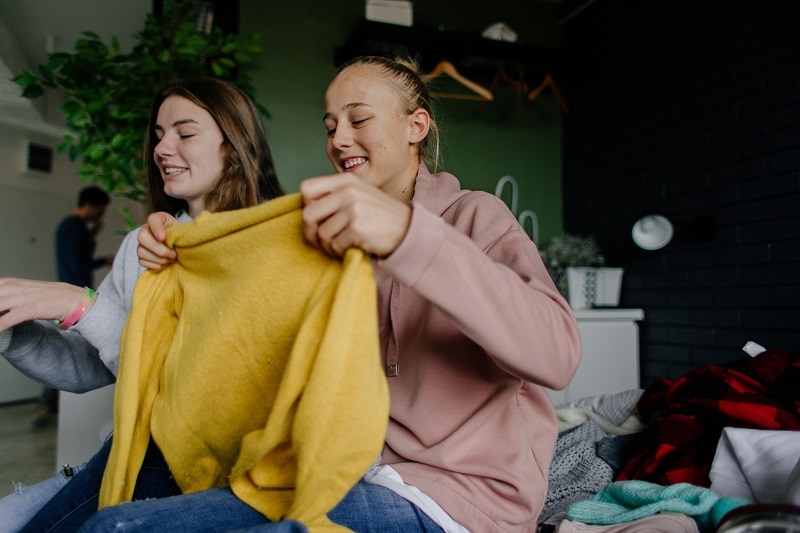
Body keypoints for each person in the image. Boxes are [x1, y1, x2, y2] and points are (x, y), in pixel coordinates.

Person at [113, 55, 583, 532]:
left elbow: (557, 356)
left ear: (415, 126)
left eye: (359, 119)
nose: (338, 140)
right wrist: (184, 249)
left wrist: (408, 236)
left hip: (463, 498)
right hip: (349, 475)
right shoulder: (336, 242)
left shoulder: (477, 216)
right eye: (330, 126)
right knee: (113, 525)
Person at [0, 77, 284, 531]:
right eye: (158, 135)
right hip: (125, 455)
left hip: (213, 474)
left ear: (234, 146)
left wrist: (81, 304)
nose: (162, 148)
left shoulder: (275, 248)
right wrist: (10, 325)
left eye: (184, 133)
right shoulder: (140, 245)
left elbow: (192, 390)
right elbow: (89, 367)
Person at [33, 186, 113, 427]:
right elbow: (79, 264)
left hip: (72, 298)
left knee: (69, 350)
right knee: (71, 352)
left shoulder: (70, 227)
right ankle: (46, 406)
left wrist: (94, 235)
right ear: (90, 204)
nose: (100, 215)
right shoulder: (73, 227)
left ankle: (48, 407)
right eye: (100, 210)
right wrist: (103, 260)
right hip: (75, 300)